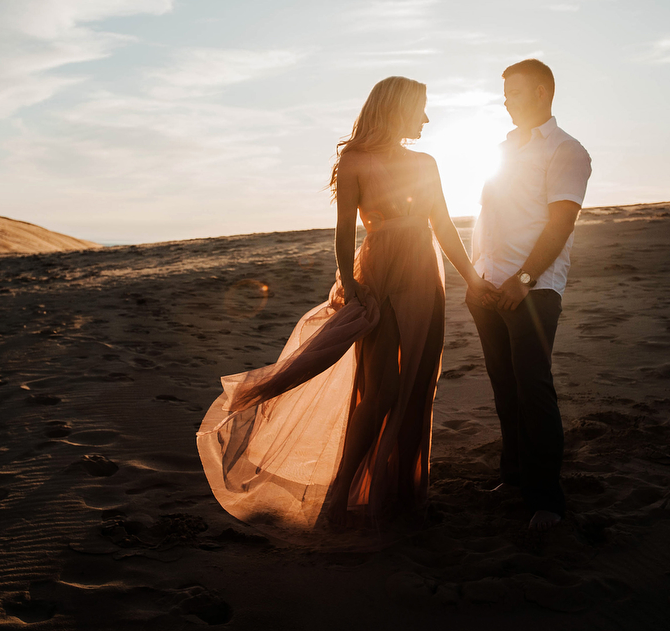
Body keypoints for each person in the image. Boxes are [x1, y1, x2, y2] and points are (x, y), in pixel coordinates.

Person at [197, 76, 497, 537]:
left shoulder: (426, 162)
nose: (426, 118)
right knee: (380, 389)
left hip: (423, 276)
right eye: (420, 108)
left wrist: (472, 278)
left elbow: (442, 225)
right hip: (378, 272)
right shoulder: (355, 160)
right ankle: (341, 490)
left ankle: (403, 495)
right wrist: (352, 284)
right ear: (396, 109)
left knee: (417, 384)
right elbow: (343, 232)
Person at [467, 58, 592, 532]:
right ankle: (515, 477)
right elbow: (490, 217)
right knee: (505, 389)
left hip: (533, 290)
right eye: (504, 93)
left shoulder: (566, 151)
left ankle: (547, 501)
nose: (505, 101)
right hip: (488, 288)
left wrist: (523, 280)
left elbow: (560, 223)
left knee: (533, 389)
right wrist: (478, 276)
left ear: (542, 93)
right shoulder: (503, 149)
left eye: (514, 92)